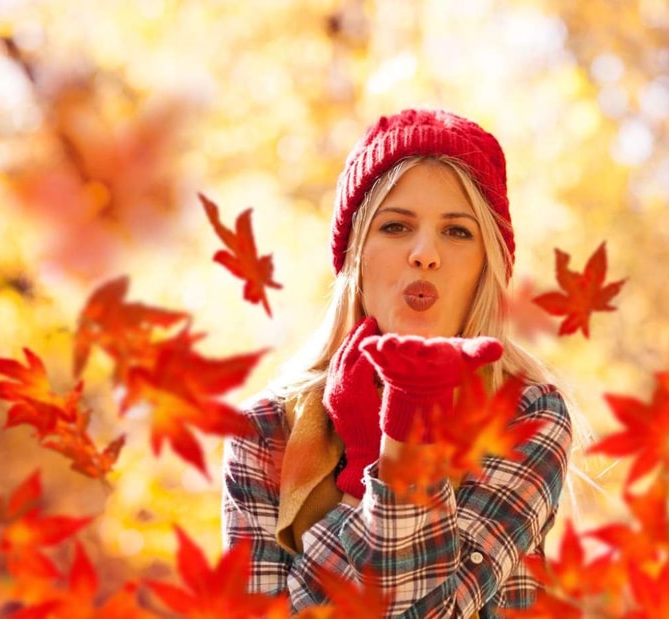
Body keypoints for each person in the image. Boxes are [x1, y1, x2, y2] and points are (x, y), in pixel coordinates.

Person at [222, 108, 573, 618]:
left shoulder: (526, 412)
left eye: (457, 232)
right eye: (395, 226)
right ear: (355, 255)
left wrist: (397, 443)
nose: (425, 253)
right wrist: (371, 454)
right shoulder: (266, 430)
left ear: (485, 265)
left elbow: (432, 612)